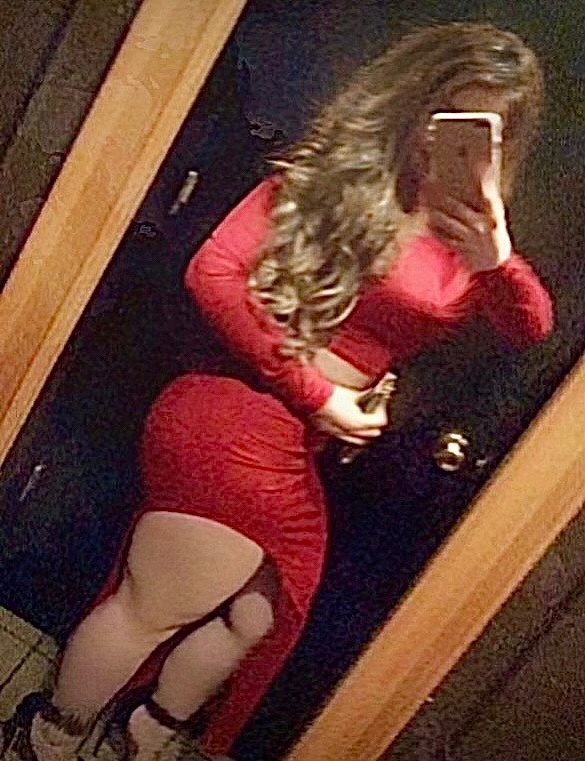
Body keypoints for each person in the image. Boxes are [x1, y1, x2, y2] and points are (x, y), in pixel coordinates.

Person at [1, 21, 553, 761]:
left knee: (255, 617)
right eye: (451, 111)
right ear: (416, 99)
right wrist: (318, 394)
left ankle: (145, 730)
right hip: (234, 416)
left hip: (296, 444)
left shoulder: (473, 245)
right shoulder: (332, 179)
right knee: (153, 606)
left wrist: (499, 256)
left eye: (485, 129)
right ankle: (44, 738)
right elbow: (211, 273)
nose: (453, 139)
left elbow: (530, 327)